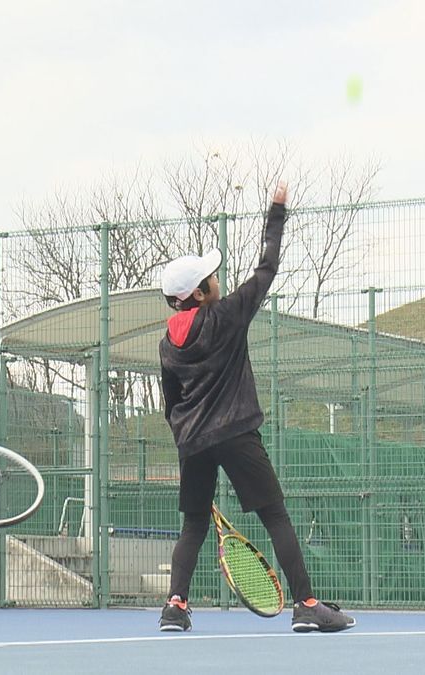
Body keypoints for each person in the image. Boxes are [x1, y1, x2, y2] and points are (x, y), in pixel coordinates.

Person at [156, 181, 354, 634]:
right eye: (211, 277)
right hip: (236, 434)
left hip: (192, 443)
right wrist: (276, 212)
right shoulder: (227, 314)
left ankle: (175, 607)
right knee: (275, 514)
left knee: (192, 525)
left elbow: (172, 403)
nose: (217, 279)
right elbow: (268, 265)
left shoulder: (168, 342)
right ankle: (305, 604)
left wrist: (186, 441)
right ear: (201, 293)